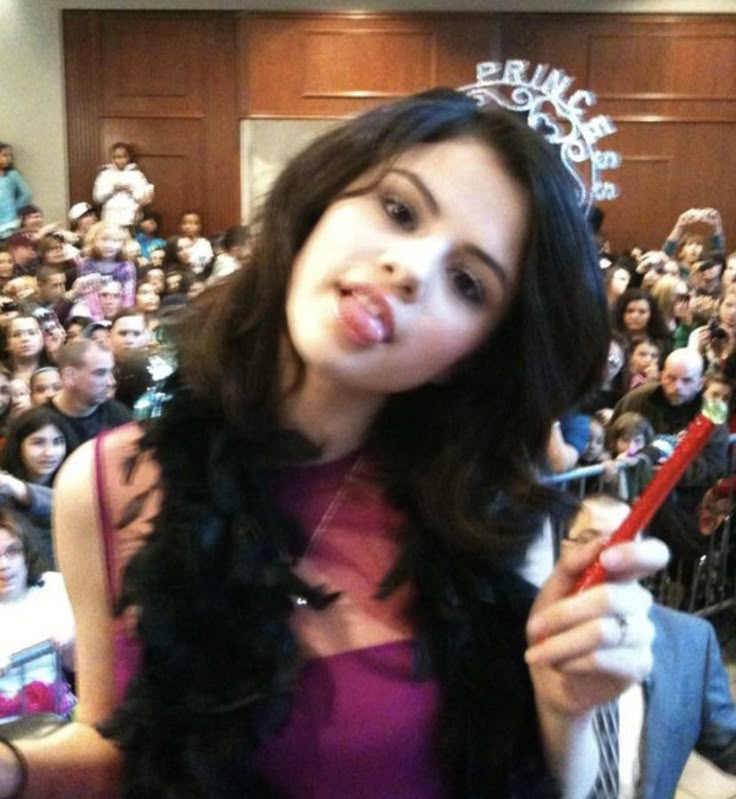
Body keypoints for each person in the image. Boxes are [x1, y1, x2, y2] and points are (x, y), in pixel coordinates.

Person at [0, 88, 668, 799]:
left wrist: (566, 703)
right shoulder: (108, 482)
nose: (411, 268)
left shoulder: (483, 508)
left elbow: (537, 781)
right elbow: (119, 752)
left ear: (465, 356)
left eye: (468, 283)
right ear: (322, 202)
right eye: (399, 210)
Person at [568, 495, 736, 799]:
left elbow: (727, 743)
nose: (607, 557)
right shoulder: (523, 643)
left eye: (624, 541)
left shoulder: (690, 642)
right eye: (588, 540)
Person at [611, 347, 728, 563]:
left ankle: (693, 565)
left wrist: (671, 472)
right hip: (632, 486)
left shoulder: (713, 411)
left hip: (685, 496)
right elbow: (614, 436)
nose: (677, 387)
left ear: (701, 382)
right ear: (662, 374)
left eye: (687, 381)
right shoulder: (637, 400)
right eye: (671, 378)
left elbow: (715, 463)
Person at [0, 509, 75, 720]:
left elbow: (77, 667)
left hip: (56, 719)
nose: (4, 565)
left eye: (12, 552)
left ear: (27, 554)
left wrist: (71, 638)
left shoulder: (53, 587)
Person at [0, 406, 70, 567]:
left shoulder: (76, 484)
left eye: (58, 442)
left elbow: (69, 505)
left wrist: (19, 488)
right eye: (38, 443)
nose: (50, 453)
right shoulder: (4, 492)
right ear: (19, 446)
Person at [45, 339, 131, 452]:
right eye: (100, 373)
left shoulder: (120, 415)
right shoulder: (38, 422)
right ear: (70, 377)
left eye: (111, 372)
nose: (111, 382)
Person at [92, 142, 153, 230]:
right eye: (116, 157)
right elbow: (97, 198)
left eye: (123, 157)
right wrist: (113, 189)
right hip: (110, 220)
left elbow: (145, 199)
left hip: (131, 220)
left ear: (129, 157)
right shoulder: (104, 175)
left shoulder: (137, 175)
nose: (119, 160)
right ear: (112, 158)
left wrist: (131, 190)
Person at [0, 144, 32, 241]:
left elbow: (27, 193)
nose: (8, 159)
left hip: (9, 222)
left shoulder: (12, 175)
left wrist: (15, 207)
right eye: (5, 155)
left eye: (10, 156)